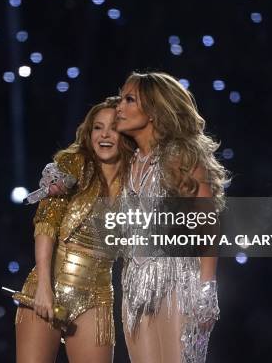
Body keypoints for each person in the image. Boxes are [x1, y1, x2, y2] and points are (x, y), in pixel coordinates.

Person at [115, 71, 229, 363]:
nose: (119, 107)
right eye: (120, 99)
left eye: (129, 100)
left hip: (177, 281)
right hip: (134, 286)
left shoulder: (179, 155)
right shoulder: (124, 161)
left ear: (153, 111)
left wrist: (206, 289)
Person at [15, 98, 134, 363]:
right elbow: (46, 224)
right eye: (97, 127)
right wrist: (44, 287)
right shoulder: (74, 165)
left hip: (97, 294)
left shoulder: (137, 180)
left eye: (113, 127)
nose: (104, 134)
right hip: (48, 284)